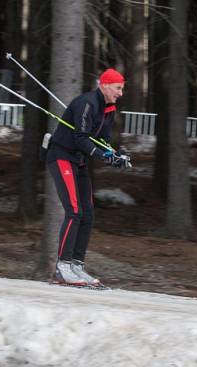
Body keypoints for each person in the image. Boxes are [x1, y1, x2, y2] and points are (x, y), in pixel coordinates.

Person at [45, 68, 129, 287]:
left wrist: (116, 155)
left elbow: (102, 140)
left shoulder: (109, 108)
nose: (120, 93)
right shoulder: (87, 103)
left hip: (79, 161)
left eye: (122, 89)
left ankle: (76, 266)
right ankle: (62, 268)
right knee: (74, 210)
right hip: (62, 156)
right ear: (105, 85)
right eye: (118, 88)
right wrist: (103, 156)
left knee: (88, 213)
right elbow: (80, 138)